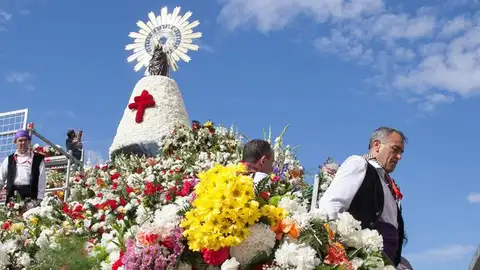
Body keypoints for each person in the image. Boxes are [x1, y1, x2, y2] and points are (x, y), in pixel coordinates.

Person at [318, 126, 407, 267]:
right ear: (377, 145)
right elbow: (331, 206)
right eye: (395, 149)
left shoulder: (386, 183)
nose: (399, 157)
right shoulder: (359, 164)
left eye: (401, 152)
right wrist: (336, 253)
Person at [0, 129, 47, 203]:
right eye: (20, 140)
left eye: (25, 140)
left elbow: (42, 179)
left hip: (30, 195)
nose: (23, 143)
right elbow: (1, 178)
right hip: (12, 195)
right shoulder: (9, 159)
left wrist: (40, 198)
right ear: (15, 142)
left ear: (29, 141)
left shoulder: (37, 159)